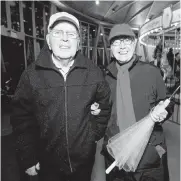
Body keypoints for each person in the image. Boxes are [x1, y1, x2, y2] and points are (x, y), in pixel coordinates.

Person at [10, 12, 111, 181]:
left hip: (83, 164)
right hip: (47, 164)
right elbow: (21, 118)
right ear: (49, 40)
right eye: (58, 33)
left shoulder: (93, 73)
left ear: (78, 43)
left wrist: (91, 135)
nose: (65, 38)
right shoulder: (31, 75)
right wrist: (27, 156)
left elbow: (105, 105)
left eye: (71, 34)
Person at [101, 24, 172, 181]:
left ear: (134, 44)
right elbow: (101, 113)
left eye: (126, 40)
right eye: (116, 42)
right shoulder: (103, 79)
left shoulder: (152, 72)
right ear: (110, 48)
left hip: (149, 155)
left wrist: (164, 111)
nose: (122, 46)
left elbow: (167, 102)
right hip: (117, 155)